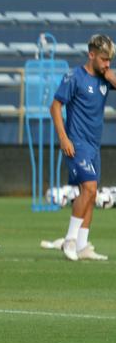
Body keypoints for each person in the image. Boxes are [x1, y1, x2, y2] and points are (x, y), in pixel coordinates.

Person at [51, 34, 116, 261]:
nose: (107, 63)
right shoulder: (74, 77)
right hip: (75, 143)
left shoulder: (105, 78)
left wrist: (110, 74)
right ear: (91, 55)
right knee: (88, 188)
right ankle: (69, 240)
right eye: (104, 59)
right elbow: (55, 106)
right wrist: (63, 138)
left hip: (93, 146)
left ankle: (82, 245)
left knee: (91, 193)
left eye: (110, 60)